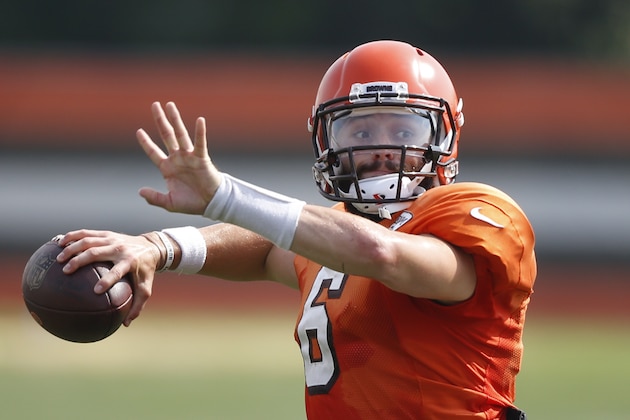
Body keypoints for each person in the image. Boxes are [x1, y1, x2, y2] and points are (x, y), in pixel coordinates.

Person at [57, 40, 535, 419]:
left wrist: (226, 196)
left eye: (404, 131)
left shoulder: (475, 211)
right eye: (360, 132)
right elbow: (268, 249)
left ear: (444, 134)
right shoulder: (334, 234)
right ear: (326, 139)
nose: (382, 148)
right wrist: (159, 246)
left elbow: (382, 255)